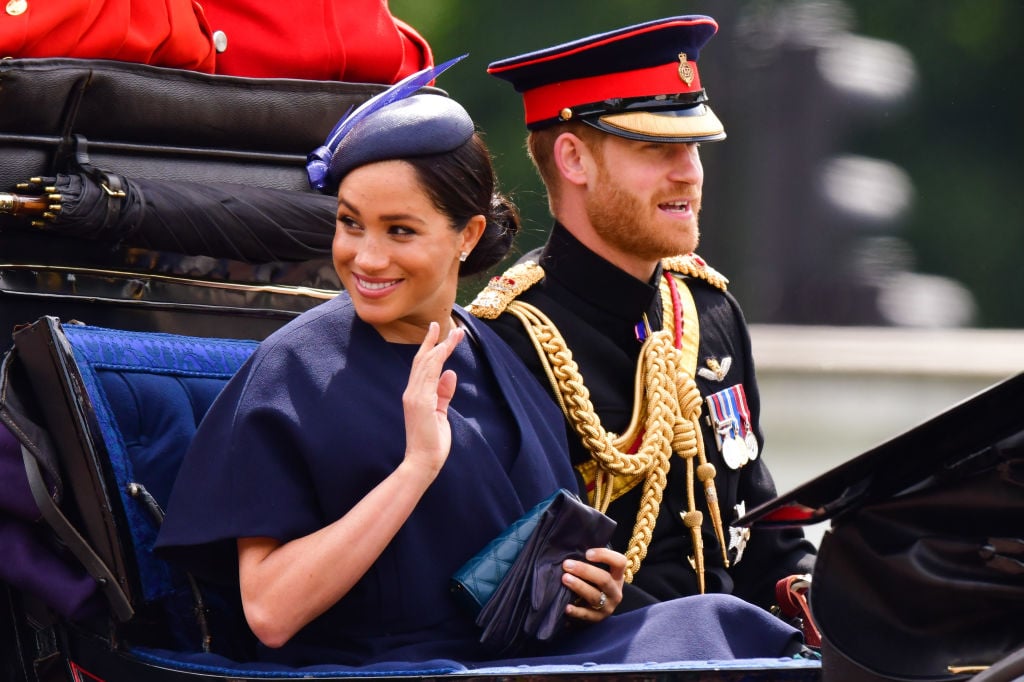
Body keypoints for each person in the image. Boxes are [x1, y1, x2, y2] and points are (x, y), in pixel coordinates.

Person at [154, 58, 804, 668]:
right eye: (351, 224)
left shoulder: (496, 358)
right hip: (389, 672)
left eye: (399, 231)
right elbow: (269, 611)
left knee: (733, 632)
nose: (366, 257)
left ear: (465, 236)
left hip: (522, 663)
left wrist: (589, 593)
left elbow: (526, 578)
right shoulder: (296, 368)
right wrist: (414, 471)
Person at [470, 15, 817, 614]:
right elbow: (513, 588)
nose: (688, 171)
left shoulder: (710, 311)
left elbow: (762, 539)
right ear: (574, 158)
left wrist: (822, 591)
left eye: (692, 146)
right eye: (657, 148)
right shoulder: (506, 339)